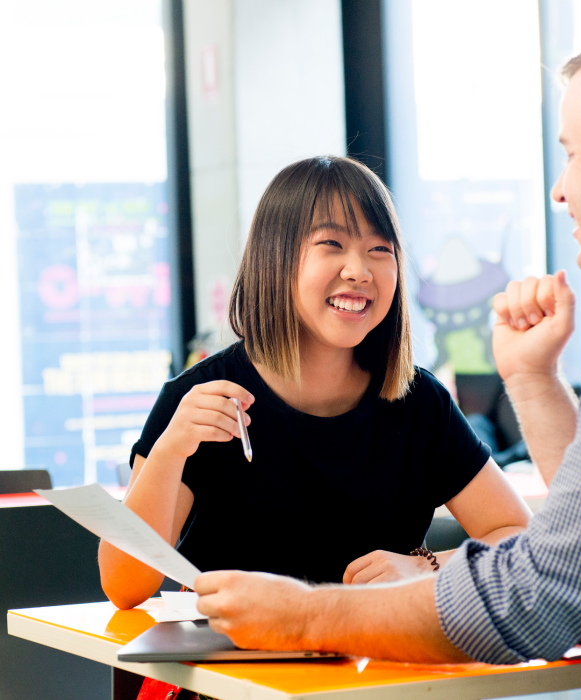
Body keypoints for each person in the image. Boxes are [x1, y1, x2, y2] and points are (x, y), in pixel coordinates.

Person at [193, 19, 581, 700]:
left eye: (573, 155)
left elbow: (544, 596)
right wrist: (531, 377)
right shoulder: (207, 389)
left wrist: (302, 616)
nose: (559, 190)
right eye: (330, 247)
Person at [98, 155, 530, 610]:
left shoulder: (419, 403)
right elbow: (124, 587)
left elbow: (519, 537)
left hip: (381, 666)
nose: (359, 269)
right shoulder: (201, 401)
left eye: (380, 249)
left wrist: (427, 567)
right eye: (332, 243)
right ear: (276, 258)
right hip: (233, 674)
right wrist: (169, 450)